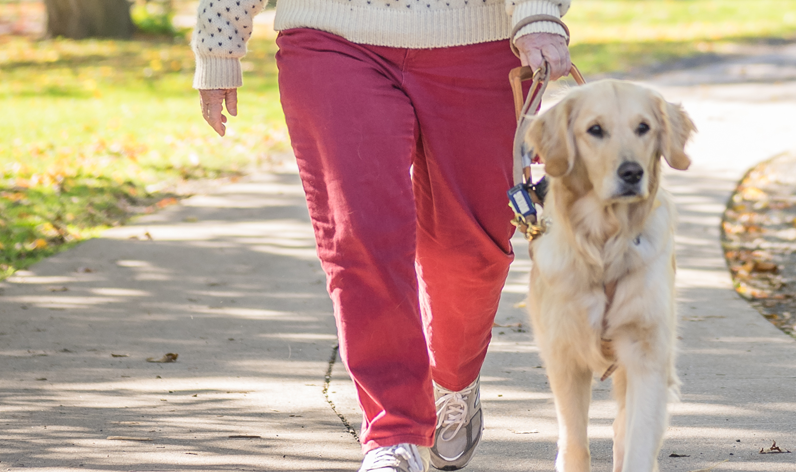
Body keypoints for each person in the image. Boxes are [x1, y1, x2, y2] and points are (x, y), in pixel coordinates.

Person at [188, 0, 574, 469]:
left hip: (477, 38)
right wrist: (219, 41)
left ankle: (453, 382)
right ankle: (394, 432)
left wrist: (537, 13)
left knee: (470, 249)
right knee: (358, 236)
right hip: (331, 35)